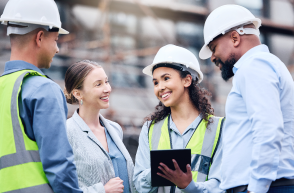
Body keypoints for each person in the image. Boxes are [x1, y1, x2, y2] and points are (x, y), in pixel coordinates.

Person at [199, 4, 294, 193]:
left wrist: (257, 188)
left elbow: (268, 129)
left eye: (214, 47)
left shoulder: (254, 66)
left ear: (234, 38)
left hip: (265, 187)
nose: (213, 57)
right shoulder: (260, 66)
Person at [0, 0, 83, 192]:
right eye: (55, 40)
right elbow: (60, 165)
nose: (57, 49)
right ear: (39, 37)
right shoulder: (44, 90)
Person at [133, 44, 225, 193]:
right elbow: (139, 185)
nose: (160, 87)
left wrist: (189, 186)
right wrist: (160, 171)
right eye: (156, 82)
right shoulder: (150, 129)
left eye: (166, 78)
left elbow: (221, 185)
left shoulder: (219, 128)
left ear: (187, 80)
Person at [64, 60, 137, 193]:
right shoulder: (66, 131)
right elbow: (61, 187)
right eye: (98, 84)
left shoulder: (115, 129)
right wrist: (102, 190)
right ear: (78, 94)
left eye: (106, 82)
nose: (107, 89)